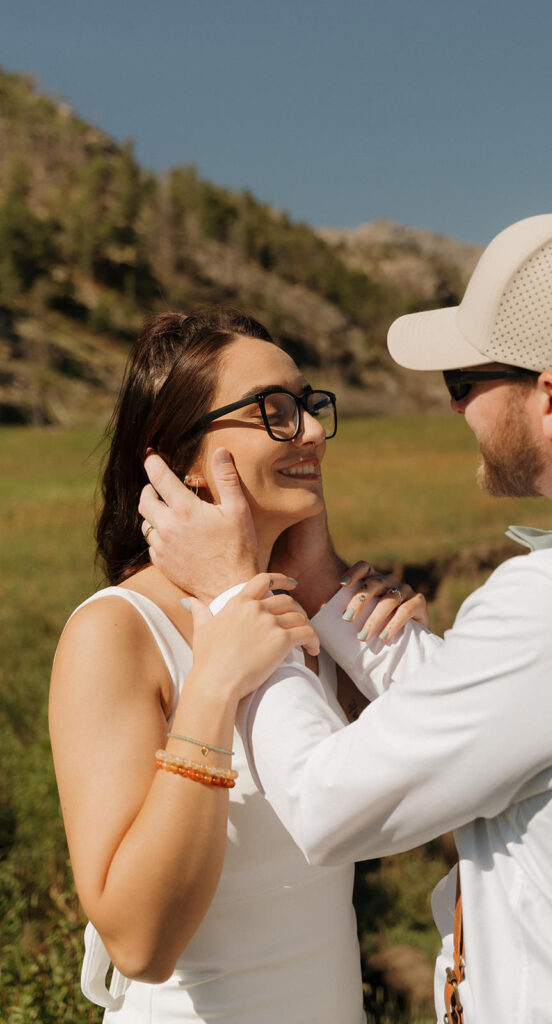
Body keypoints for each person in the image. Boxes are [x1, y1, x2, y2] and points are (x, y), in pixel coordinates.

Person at [142, 210, 552, 1023]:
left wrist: (232, 596)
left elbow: (331, 806)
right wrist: (323, 590)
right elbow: (522, 711)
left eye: (463, 385)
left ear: (549, 400)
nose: (456, 411)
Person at [49, 308, 425, 1023]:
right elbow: (139, 944)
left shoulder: (303, 618)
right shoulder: (116, 634)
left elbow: (413, 799)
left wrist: (381, 645)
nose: (311, 431)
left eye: (309, 407)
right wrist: (214, 685)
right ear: (179, 455)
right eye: (273, 413)